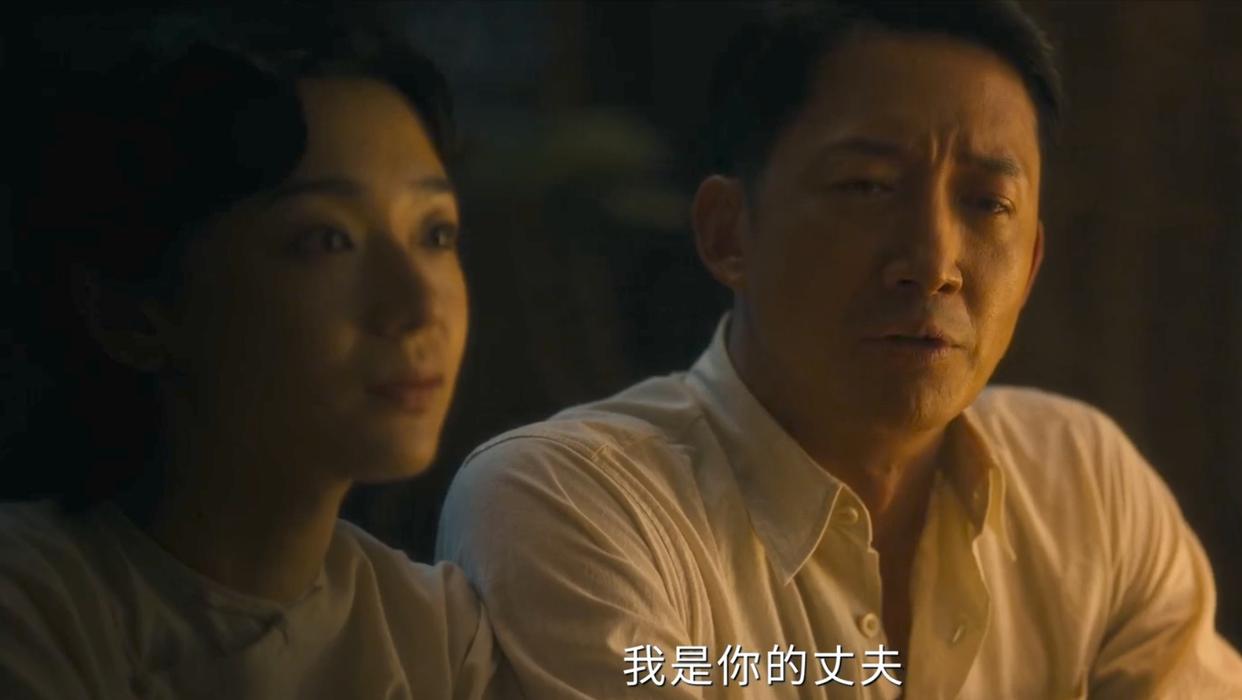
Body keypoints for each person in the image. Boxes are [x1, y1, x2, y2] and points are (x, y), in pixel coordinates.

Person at [437, 2, 1242, 697]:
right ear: (728, 233)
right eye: (867, 186)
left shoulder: (1084, 485)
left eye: (987, 203)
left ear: (1031, 262)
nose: (933, 262)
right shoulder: (574, 504)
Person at [1, 29, 503, 699]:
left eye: (435, 233)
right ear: (133, 314)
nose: (417, 306)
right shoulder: (34, 615)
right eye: (327, 239)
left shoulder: (435, 633)